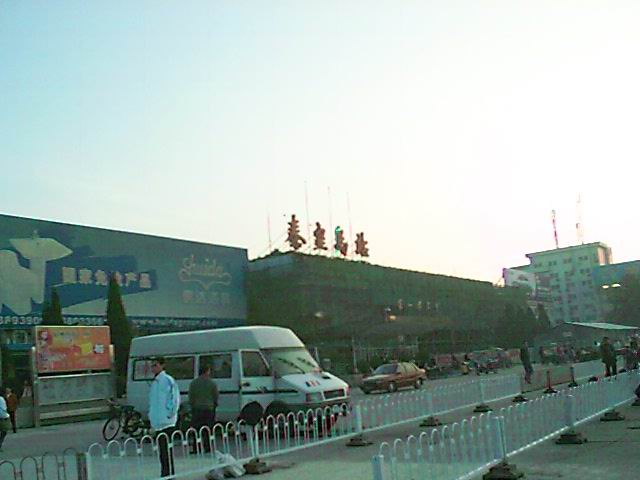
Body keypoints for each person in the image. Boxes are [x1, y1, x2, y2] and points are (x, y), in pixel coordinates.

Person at [148, 357, 180, 478]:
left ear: (162, 366)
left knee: (167, 451)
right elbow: (153, 402)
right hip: (158, 423)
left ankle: (169, 474)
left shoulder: (168, 380)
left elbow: (174, 398)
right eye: (152, 366)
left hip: (167, 422)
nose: (153, 368)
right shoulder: (154, 383)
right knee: (162, 452)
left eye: (155, 365)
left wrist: (170, 413)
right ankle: (165, 473)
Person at [188, 364, 219, 454]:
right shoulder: (212, 383)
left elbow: (191, 396)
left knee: (196, 429)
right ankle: (207, 447)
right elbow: (215, 395)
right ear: (207, 371)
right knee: (207, 429)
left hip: (197, 409)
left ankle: (196, 448)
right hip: (209, 409)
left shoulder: (194, 383)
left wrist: (192, 405)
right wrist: (214, 405)